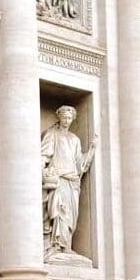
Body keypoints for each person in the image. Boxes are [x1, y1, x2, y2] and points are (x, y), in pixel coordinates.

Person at [40, 105, 97, 260]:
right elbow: (44, 155)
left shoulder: (75, 139)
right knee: (59, 212)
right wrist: (42, 170)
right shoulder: (52, 134)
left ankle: (67, 246)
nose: (66, 120)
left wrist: (92, 149)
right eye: (64, 117)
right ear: (59, 117)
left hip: (72, 181)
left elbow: (79, 163)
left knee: (70, 215)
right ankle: (55, 245)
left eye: (69, 118)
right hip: (58, 178)